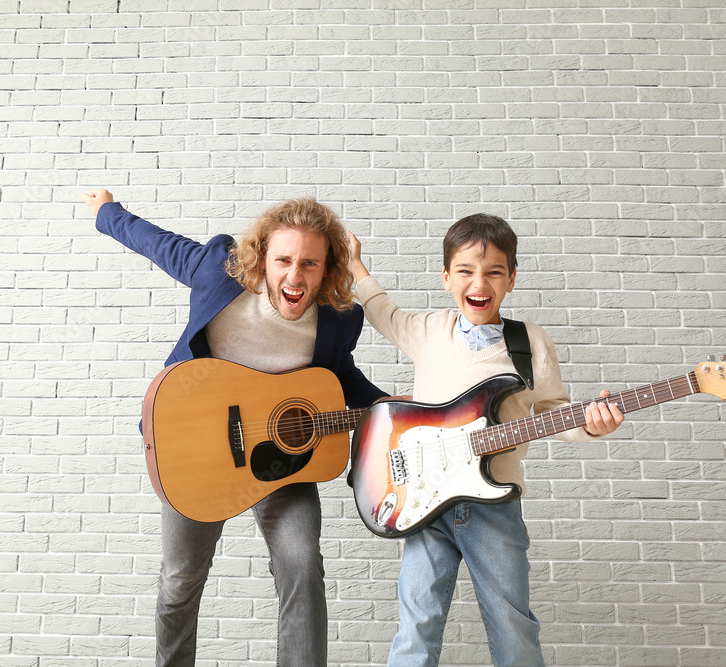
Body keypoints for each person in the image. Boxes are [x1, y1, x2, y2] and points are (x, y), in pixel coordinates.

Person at [81, 189, 387, 667]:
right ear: (262, 257)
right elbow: (156, 242)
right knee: (181, 578)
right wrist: (106, 212)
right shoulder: (218, 273)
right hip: (199, 449)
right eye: (283, 259)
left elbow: (337, 375)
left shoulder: (340, 318)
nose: (294, 275)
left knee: (302, 564)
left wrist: (391, 407)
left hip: (282, 461)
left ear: (327, 269)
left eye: (309, 263)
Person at [347, 213, 624, 667]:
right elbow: (383, 312)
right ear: (446, 277)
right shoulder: (429, 330)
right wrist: (356, 265)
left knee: (512, 625)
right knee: (416, 627)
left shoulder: (529, 341)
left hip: (494, 508)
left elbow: (554, 409)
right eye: (466, 270)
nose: (480, 282)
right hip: (423, 505)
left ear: (511, 279)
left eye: (495, 271)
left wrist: (591, 424)